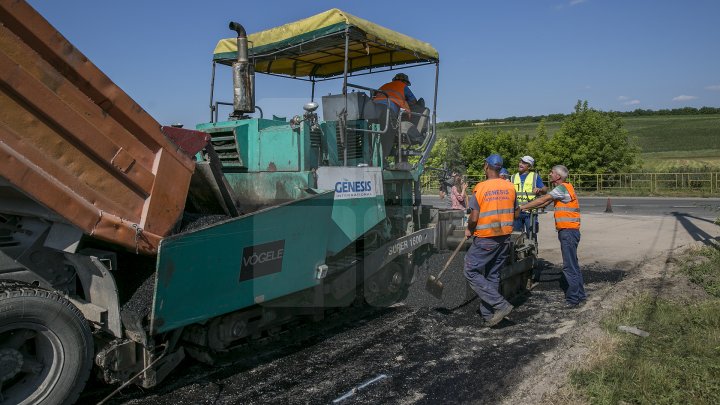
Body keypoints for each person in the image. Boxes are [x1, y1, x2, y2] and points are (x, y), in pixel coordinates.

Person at [518, 164, 585, 308]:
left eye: (552, 173)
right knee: (573, 264)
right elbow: (546, 201)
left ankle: (573, 299)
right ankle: (580, 295)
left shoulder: (561, 189)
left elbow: (544, 200)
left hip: (568, 232)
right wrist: (537, 204)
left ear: (558, 177)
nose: (550, 174)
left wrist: (522, 207)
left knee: (568, 266)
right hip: (571, 231)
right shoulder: (566, 188)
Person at [464, 154, 518, 327]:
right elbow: (515, 212)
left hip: (486, 238)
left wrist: (469, 229)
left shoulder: (481, 188)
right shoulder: (510, 187)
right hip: (504, 237)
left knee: (470, 270)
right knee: (492, 274)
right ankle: (489, 315)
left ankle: (501, 305)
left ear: (487, 166)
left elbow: (474, 217)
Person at [511, 155, 547, 240]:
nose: (521, 164)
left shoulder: (535, 176)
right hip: (517, 211)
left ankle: (532, 252)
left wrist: (540, 189)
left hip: (530, 212)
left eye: (524, 163)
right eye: (520, 162)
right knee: (516, 236)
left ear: (529, 166)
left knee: (531, 235)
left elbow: (545, 190)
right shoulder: (513, 177)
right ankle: (518, 252)